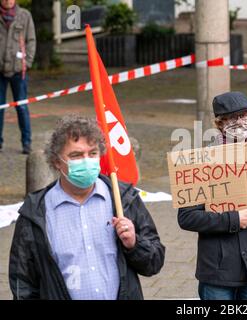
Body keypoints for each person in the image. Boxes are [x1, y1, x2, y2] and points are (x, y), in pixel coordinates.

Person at [9, 116, 165, 299]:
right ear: (57, 162)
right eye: (76, 155)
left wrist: (134, 244)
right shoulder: (36, 212)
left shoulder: (123, 199)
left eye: (92, 153)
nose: (86, 161)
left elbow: (154, 262)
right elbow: (23, 281)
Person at [178, 92, 247, 300]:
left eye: (245, 115)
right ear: (219, 122)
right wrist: (232, 219)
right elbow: (187, 217)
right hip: (217, 271)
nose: (241, 122)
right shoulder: (200, 162)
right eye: (233, 117)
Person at [0, 0, 36, 154]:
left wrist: (26, 63)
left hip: (18, 70)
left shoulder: (24, 15)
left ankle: (26, 143)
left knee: (21, 107)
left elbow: (31, 40)